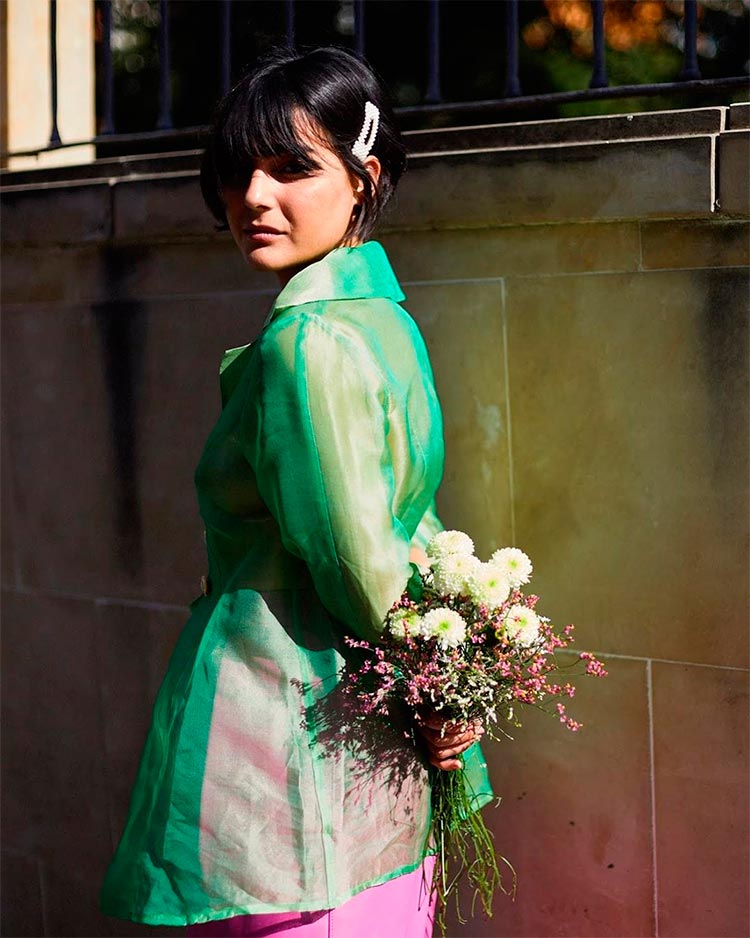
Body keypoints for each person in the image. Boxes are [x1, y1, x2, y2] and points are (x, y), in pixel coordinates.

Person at [99, 45, 493, 937]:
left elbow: (357, 563)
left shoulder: (307, 341)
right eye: (237, 173)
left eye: (292, 168)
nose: (253, 199)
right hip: (367, 725)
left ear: (365, 177)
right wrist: (444, 691)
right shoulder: (382, 317)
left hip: (294, 721)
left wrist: (439, 692)